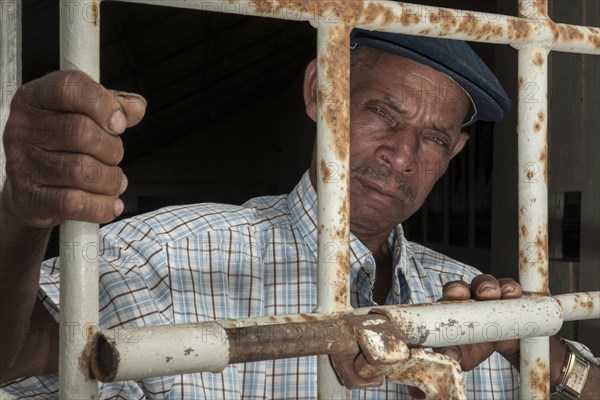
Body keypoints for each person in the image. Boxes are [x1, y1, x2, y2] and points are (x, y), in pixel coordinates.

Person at [0, 29, 598, 399]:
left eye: (435, 138)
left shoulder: (473, 307)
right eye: (381, 113)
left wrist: (532, 348)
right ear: (319, 91)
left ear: (454, 152)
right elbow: (14, 356)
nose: (401, 154)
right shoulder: (167, 254)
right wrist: (21, 217)